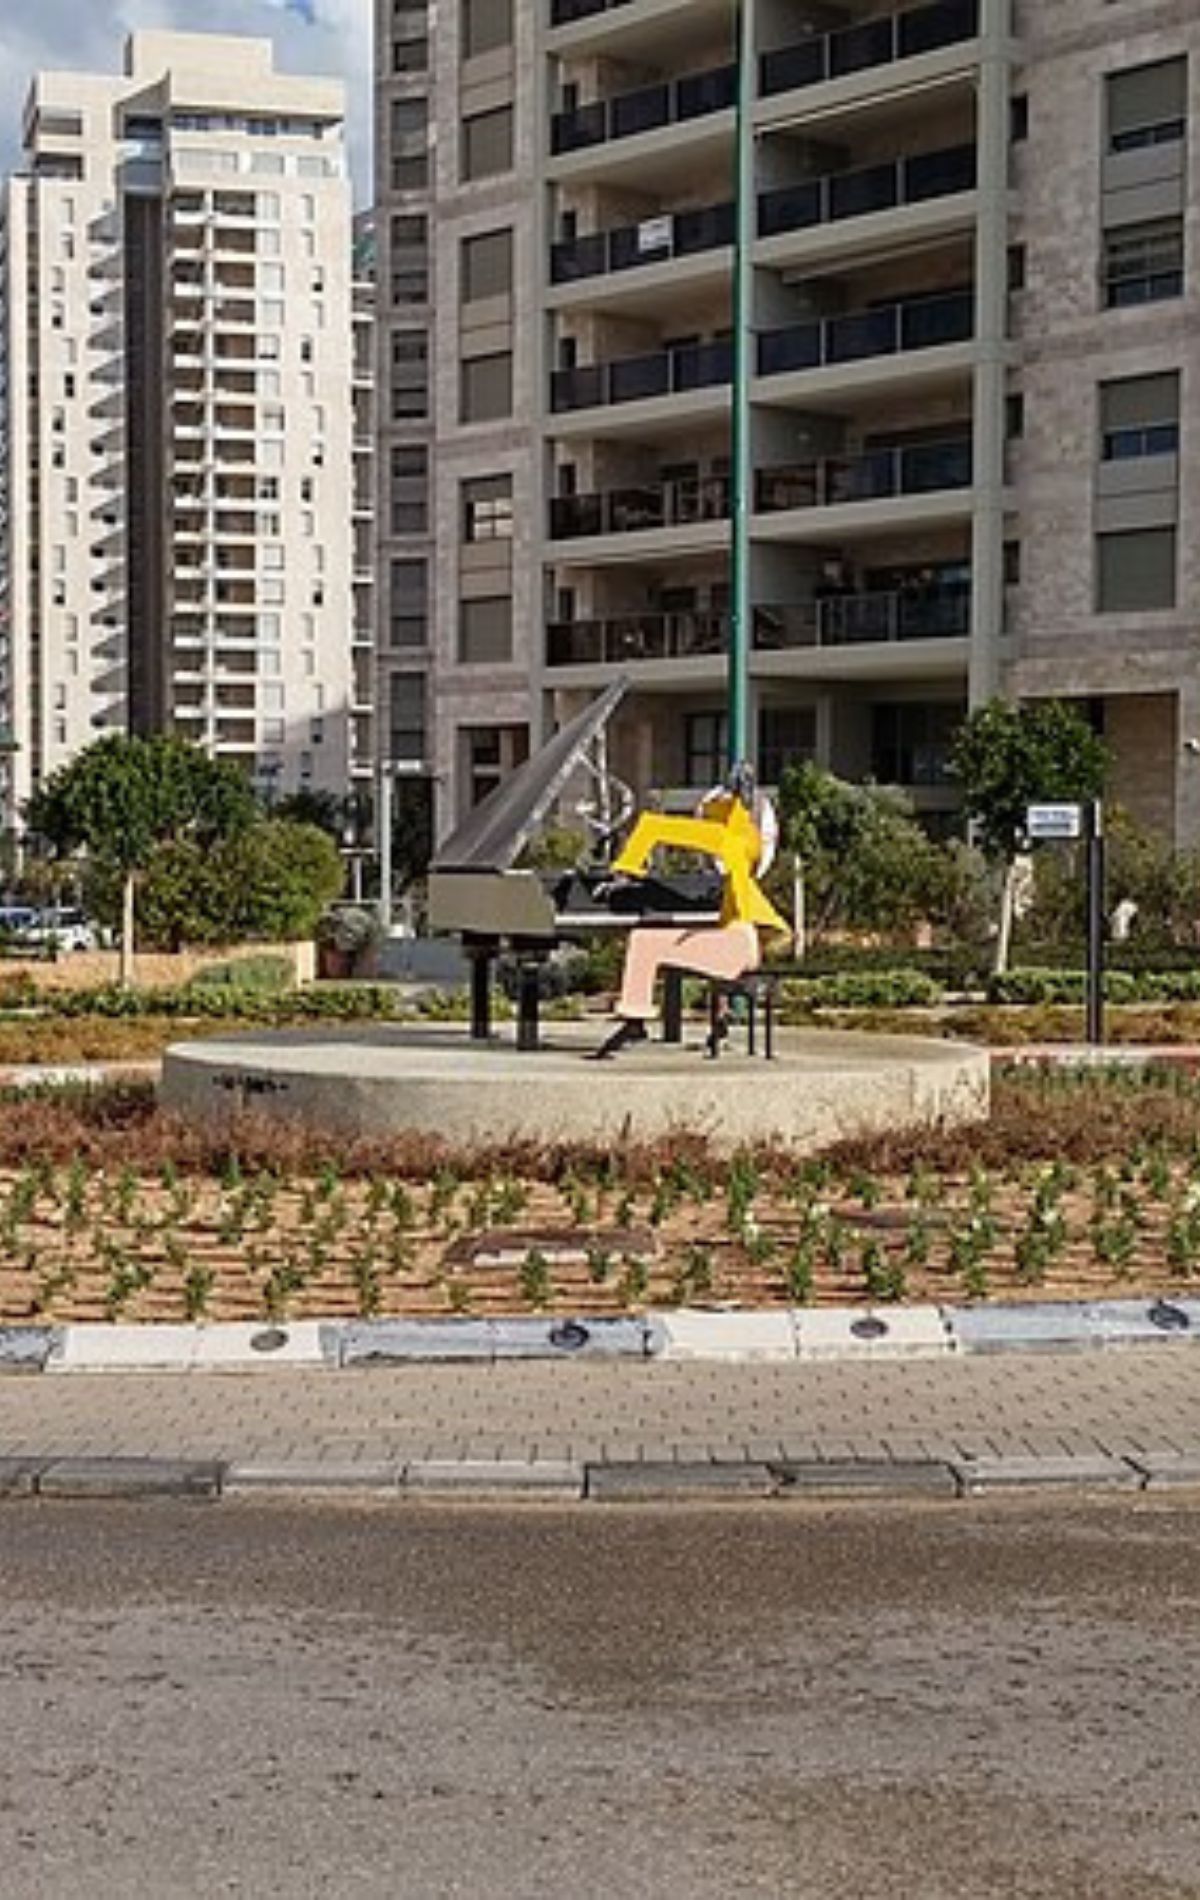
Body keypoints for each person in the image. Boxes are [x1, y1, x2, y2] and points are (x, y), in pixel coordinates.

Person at [591, 764, 790, 1059]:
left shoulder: (732, 845)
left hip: (736, 946)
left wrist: (625, 870)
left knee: (644, 942)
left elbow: (662, 828)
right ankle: (707, 1020)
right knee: (648, 941)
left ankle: (635, 1021)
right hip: (738, 942)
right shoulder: (739, 865)